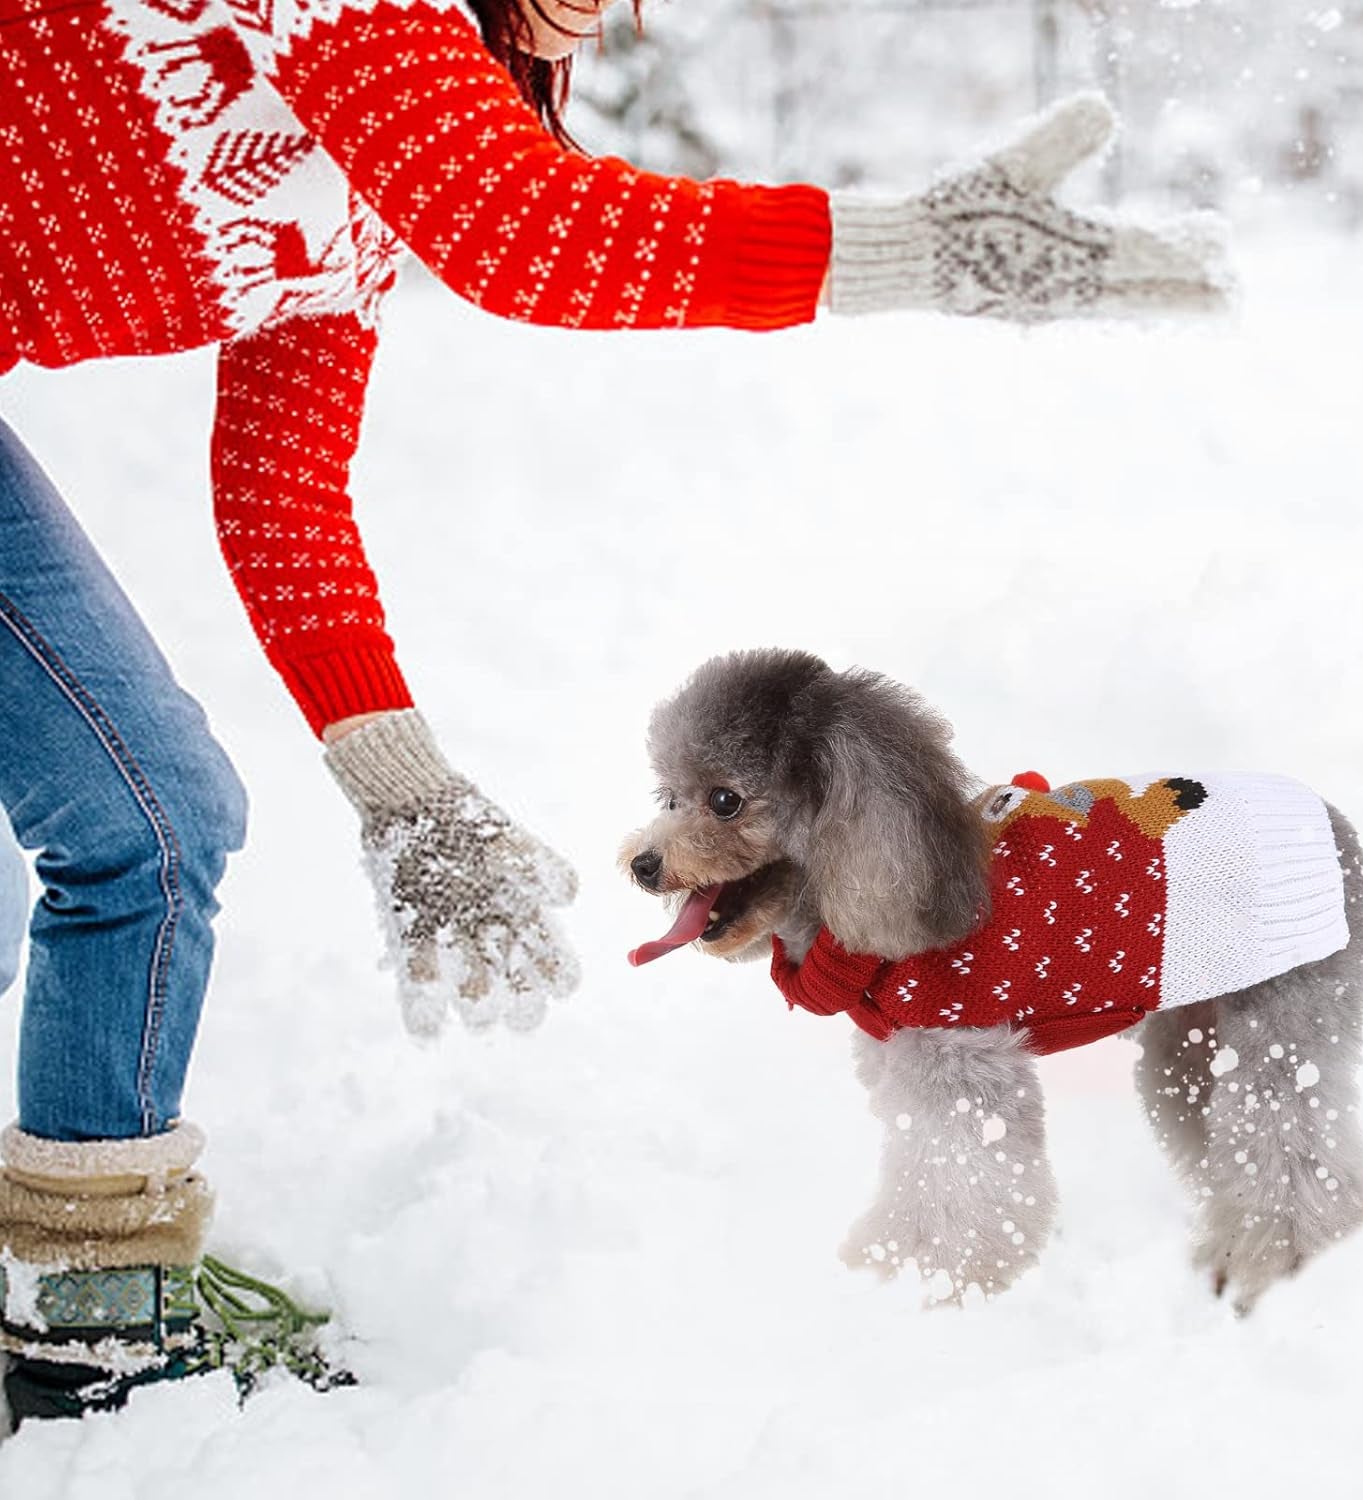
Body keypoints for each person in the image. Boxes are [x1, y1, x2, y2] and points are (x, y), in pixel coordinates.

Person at [0, 0, 1227, 1422]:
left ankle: (83, 1311)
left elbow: (282, 497)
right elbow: (526, 237)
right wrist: (912, 252)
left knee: (146, 822)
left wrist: (409, 794)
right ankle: (87, 1330)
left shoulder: (379, 152)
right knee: (146, 827)